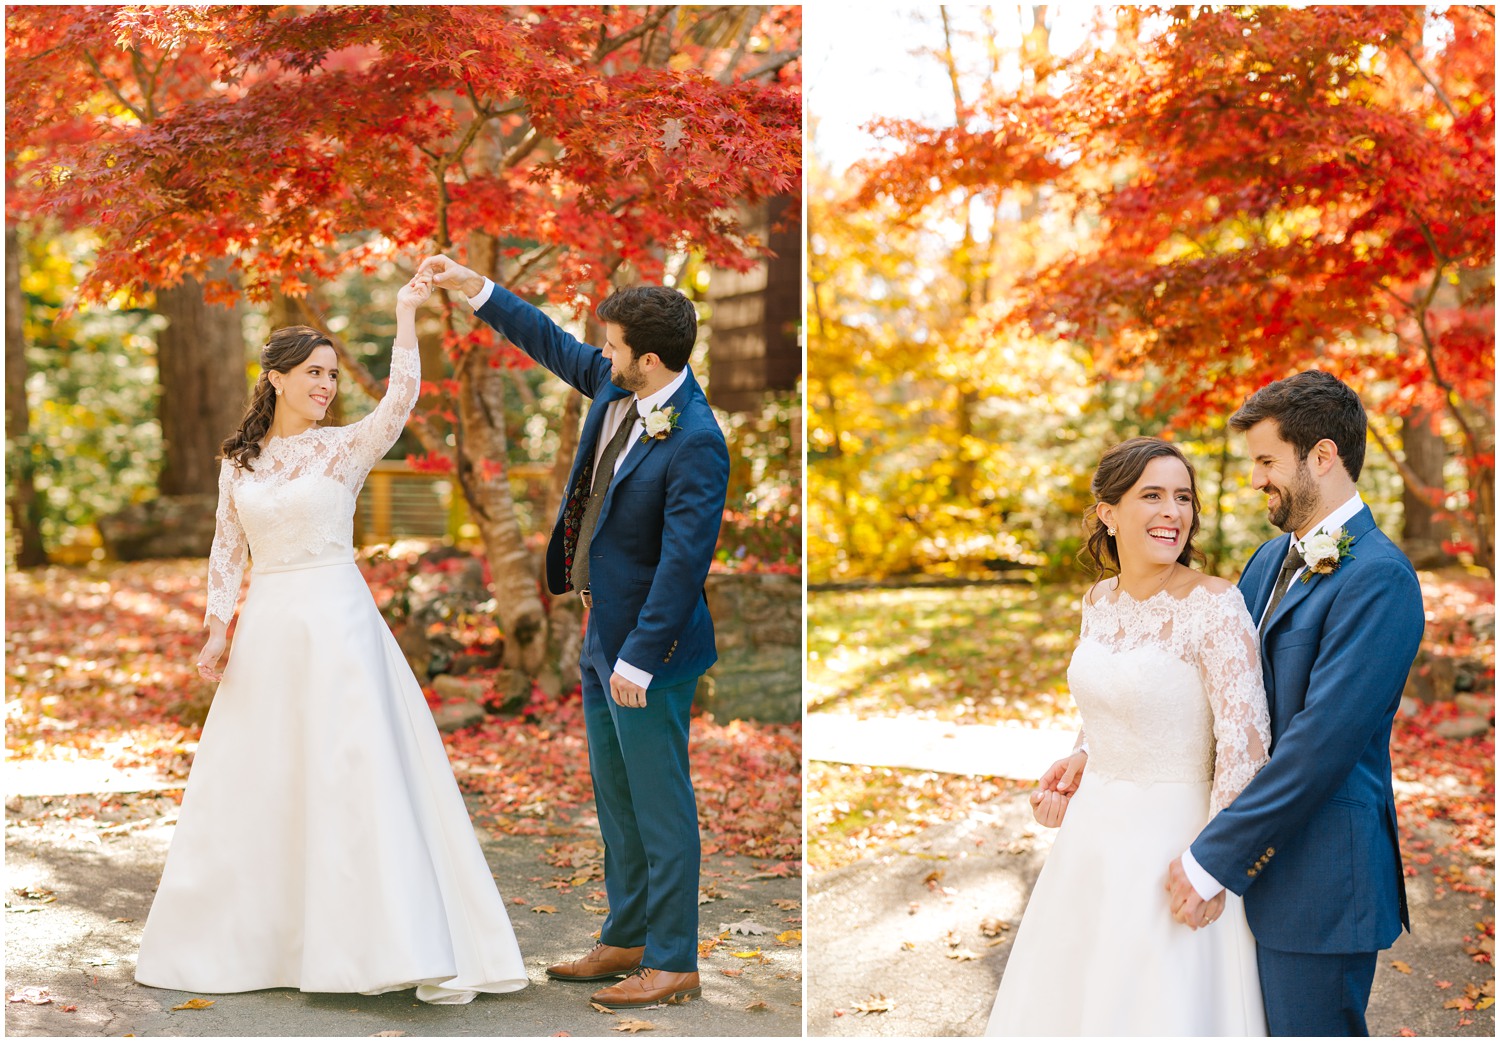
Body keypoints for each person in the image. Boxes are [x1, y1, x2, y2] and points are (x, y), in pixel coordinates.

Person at [135, 274, 528, 1005]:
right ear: (276, 378)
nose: (325, 385)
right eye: (313, 373)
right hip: (270, 631)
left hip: (340, 624)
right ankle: (257, 941)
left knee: (352, 773)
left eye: (332, 375)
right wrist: (218, 630)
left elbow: (401, 400)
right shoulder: (238, 464)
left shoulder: (344, 450)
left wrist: (405, 311)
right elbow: (227, 550)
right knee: (265, 778)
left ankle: (379, 943)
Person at [417, 254, 729, 1010]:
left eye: (614, 346)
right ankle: (625, 937)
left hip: (649, 653)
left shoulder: (695, 439)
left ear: (649, 358)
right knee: (616, 799)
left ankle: (674, 959)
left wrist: (640, 661)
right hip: (601, 634)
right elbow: (548, 340)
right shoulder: (615, 386)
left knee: (661, 805)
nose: (602, 354)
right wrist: (472, 287)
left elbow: (684, 566)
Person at [1165, 371, 1425, 1036]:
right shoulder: (1268, 560)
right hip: (1249, 865)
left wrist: (1210, 856)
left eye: (1266, 461)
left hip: (1319, 884)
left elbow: (1319, 746)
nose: (1256, 479)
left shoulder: (1380, 581)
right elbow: (1218, 693)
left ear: (1323, 456)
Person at [985, 436, 1272, 1036]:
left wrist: (1216, 867)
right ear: (1108, 513)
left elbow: (1245, 750)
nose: (1173, 511)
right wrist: (1080, 755)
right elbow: (1106, 706)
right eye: (1152, 495)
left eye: (1183, 498)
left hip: (1178, 845)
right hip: (1092, 844)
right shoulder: (1099, 601)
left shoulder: (1216, 607)